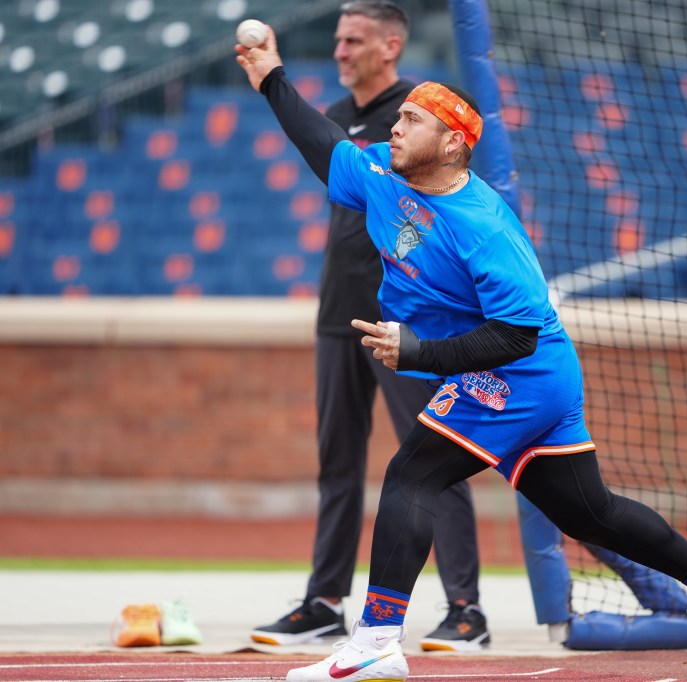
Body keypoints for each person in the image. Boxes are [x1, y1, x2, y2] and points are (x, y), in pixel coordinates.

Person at [234, 25, 687, 682]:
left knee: (413, 474)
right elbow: (325, 147)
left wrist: (420, 352)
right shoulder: (382, 169)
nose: (397, 126)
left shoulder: (484, 224)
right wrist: (271, 75)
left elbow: (517, 335)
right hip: (520, 376)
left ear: (454, 143)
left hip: (521, 372)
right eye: (400, 117)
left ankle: (378, 639)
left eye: (413, 119)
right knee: (591, 512)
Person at [248, 1, 489, 652]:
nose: (340, 50)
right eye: (337, 39)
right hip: (339, 313)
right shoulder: (333, 118)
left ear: (391, 45)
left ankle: (466, 609)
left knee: (434, 455)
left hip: (409, 319)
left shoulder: (421, 115)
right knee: (338, 463)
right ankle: (325, 601)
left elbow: (451, 201)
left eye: (353, 39)